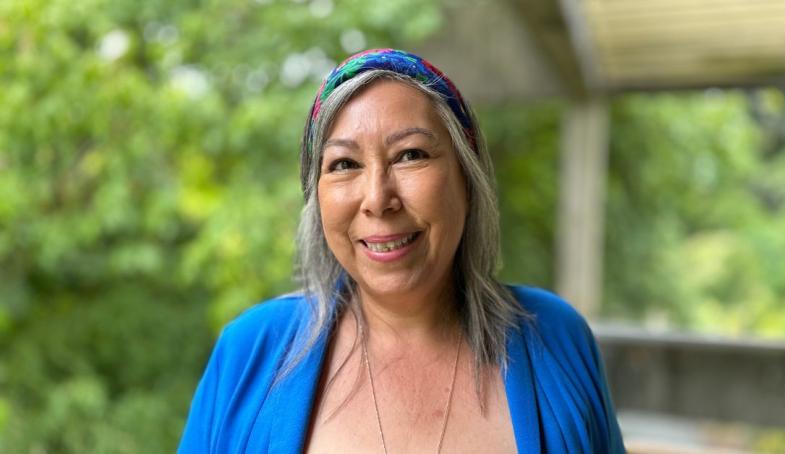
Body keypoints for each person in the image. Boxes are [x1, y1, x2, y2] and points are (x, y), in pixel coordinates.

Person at [179, 48, 625, 453]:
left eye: (410, 155)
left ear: (467, 182)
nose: (377, 198)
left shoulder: (556, 337)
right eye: (344, 164)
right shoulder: (249, 352)